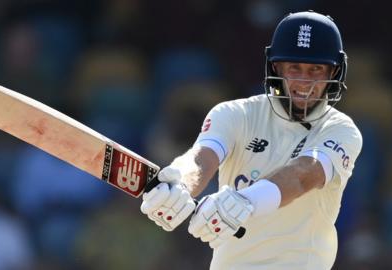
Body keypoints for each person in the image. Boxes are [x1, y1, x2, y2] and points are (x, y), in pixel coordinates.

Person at [140, 10, 362, 270]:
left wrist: (246, 201)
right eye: (295, 68)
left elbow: (304, 174)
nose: (305, 81)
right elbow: (202, 157)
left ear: (333, 72)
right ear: (276, 66)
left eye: (316, 69)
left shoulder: (341, 130)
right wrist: (181, 181)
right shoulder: (235, 114)